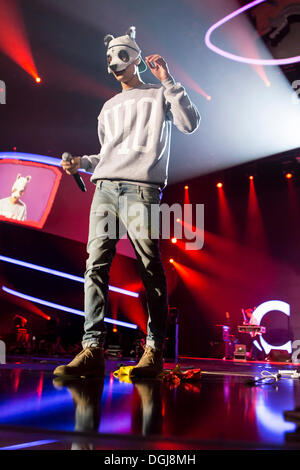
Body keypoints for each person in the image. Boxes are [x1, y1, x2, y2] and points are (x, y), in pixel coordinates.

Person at [54, 26, 200, 378]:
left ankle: (154, 350)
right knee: (95, 267)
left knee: (149, 267)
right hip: (105, 188)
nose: (115, 63)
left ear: (136, 58)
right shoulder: (107, 107)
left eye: (122, 55)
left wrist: (168, 80)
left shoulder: (157, 95)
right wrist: (81, 163)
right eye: (110, 58)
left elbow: (190, 123)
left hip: (141, 190)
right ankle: (92, 349)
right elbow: (107, 154)